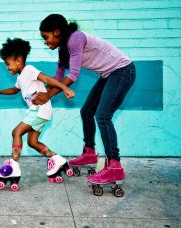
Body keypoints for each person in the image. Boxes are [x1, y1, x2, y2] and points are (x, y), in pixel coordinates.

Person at [33, 14, 136, 185]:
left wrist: (48, 95)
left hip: (122, 71)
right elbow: (58, 77)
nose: (45, 41)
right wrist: (38, 89)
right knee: (87, 111)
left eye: (46, 37)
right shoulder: (63, 50)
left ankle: (115, 166)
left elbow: (73, 75)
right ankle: (89, 153)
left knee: (103, 116)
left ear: (57, 32)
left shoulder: (75, 38)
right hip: (109, 74)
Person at [0, 38, 75, 191]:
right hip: (39, 111)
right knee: (32, 142)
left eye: (8, 64)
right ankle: (57, 159)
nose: (7, 67)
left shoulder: (29, 70)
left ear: (18, 60)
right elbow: (15, 90)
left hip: (40, 110)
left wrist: (64, 88)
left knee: (16, 132)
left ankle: (14, 166)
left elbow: (48, 78)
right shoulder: (20, 77)